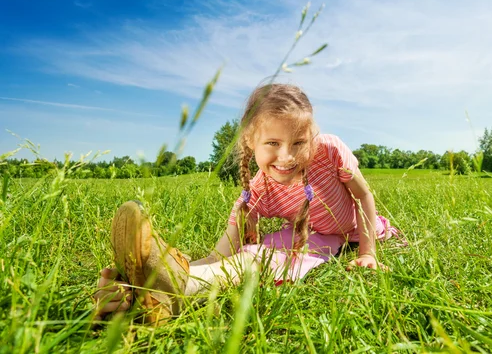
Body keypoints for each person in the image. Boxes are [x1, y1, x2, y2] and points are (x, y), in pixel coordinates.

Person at [94, 83, 400, 324]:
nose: (287, 157)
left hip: (354, 230)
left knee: (267, 257)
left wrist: (368, 251)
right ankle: (147, 288)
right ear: (250, 142)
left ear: (312, 136)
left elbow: (363, 195)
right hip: (304, 231)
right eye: (272, 143)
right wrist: (135, 281)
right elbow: (218, 254)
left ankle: (180, 288)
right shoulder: (256, 191)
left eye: (298, 142)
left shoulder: (331, 150)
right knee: (254, 253)